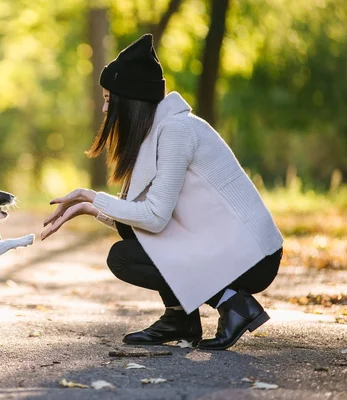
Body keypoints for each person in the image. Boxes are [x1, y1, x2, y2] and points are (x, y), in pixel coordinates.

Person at [41, 34, 283, 351]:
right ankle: (180, 318)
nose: (103, 109)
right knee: (130, 235)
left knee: (124, 257)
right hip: (224, 246)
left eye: (108, 99)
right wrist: (92, 209)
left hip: (252, 256)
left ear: (130, 100)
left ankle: (232, 302)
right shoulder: (158, 133)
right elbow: (142, 222)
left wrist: (92, 195)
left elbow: (154, 220)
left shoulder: (175, 131)